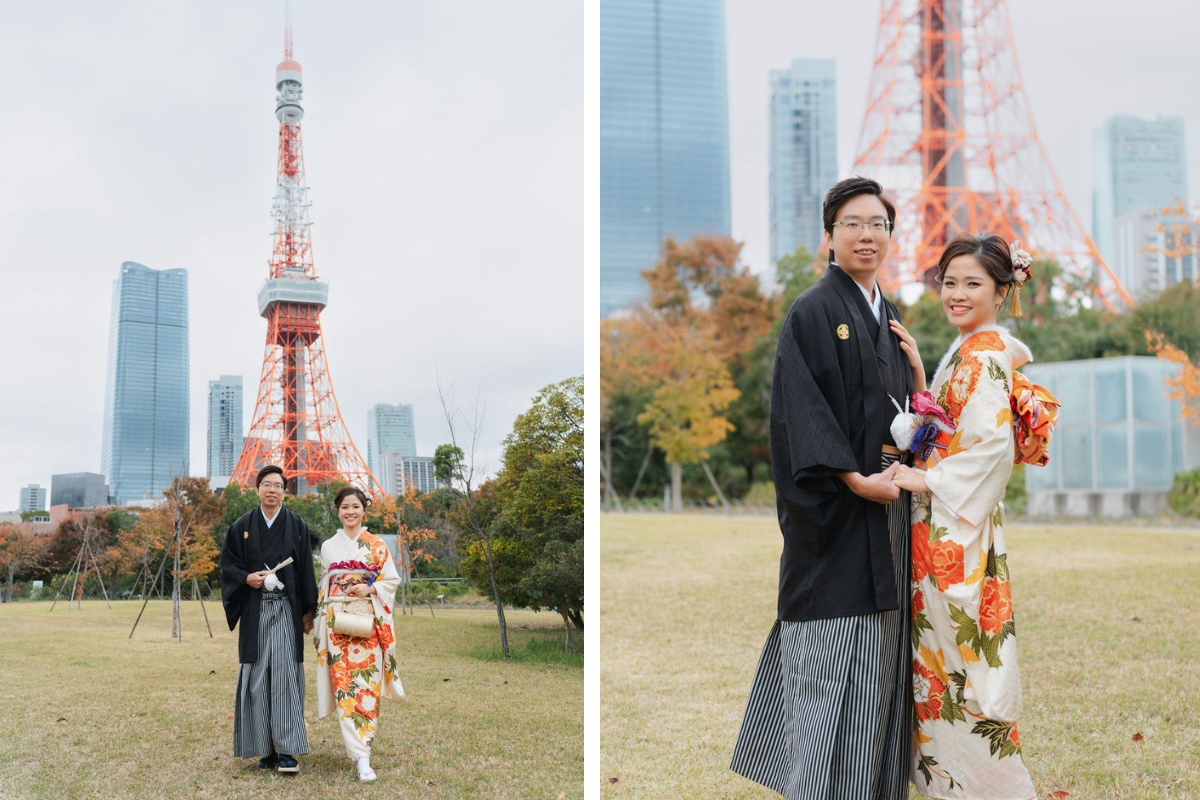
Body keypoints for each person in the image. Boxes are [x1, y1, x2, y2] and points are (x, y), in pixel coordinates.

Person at [730, 176, 925, 800]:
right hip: (836, 524)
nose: (867, 235)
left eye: (878, 224)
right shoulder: (814, 310)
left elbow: (904, 419)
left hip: (887, 520)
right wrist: (852, 480)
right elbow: (800, 413)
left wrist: (919, 373)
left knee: (881, 675)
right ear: (830, 236)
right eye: (853, 224)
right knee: (827, 668)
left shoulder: (888, 315)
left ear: (891, 235)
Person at [890, 233, 1040, 800]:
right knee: (943, 659)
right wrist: (923, 375)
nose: (956, 293)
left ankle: (989, 787)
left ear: (1003, 291)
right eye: (949, 282)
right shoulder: (969, 348)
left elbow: (992, 449)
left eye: (972, 284)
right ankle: (960, 784)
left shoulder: (984, 355)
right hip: (948, 520)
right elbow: (956, 427)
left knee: (961, 662)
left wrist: (923, 476)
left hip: (956, 525)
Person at [220, 465, 318, 774]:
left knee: (287, 676)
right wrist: (247, 577)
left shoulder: (297, 525)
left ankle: (287, 751)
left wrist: (308, 609)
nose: (272, 490)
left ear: (285, 491)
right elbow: (227, 564)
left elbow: (305, 571)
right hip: (255, 609)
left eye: (278, 485)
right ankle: (266, 750)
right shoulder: (241, 526)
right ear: (258, 488)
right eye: (266, 484)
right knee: (258, 676)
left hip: (287, 611)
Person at [313, 485, 404, 782]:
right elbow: (323, 588)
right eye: (344, 507)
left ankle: (363, 756)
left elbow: (391, 579)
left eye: (355, 506)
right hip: (338, 625)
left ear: (365, 510)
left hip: (368, 625)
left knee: (366, 689)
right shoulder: (328, 547)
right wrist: (319, 623)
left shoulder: (377, 545)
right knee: (346, 691)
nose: (350, 512)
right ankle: (359, 755)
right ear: (337, 511)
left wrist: (371, 587)